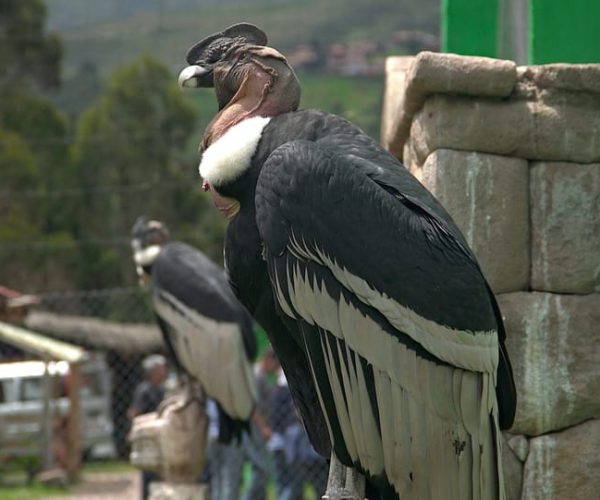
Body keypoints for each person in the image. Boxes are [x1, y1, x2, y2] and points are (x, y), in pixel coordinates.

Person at [241, 348, 280, 500]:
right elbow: (252, 406)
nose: (276, 369)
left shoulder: (259, 374)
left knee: (262, 470)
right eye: (276, 365)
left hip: (256, 428)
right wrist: (263, 427)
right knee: (262, 469)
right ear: (269, 360)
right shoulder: (257, 375)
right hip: (255, 428)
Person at [128, 354, 168, 500]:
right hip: (148, 437)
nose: (165, 371)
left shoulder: (163, 389)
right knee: (148, 473)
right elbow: (135, 413)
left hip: (161, 437)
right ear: (154, 371)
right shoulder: (145, 390)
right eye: (162, 368)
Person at [204, 398, 245, 500]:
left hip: (212, 434)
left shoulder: (209, 389)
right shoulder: (227, 388)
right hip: (228, 436)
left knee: (217, 480)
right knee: (229, 481)